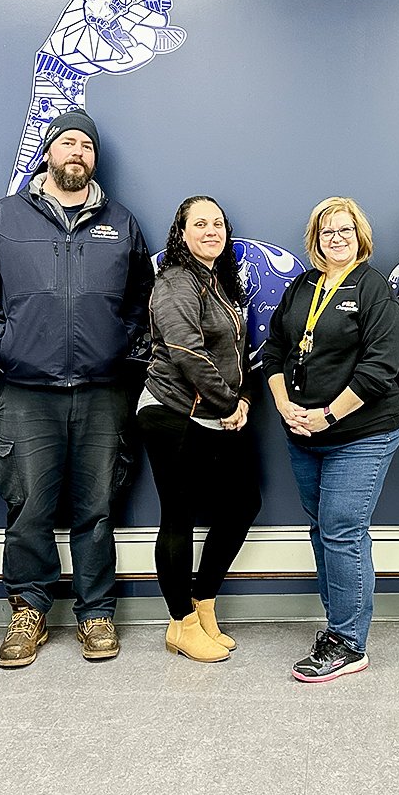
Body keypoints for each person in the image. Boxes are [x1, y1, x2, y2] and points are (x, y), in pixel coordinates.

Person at [0, 110, 153, 668]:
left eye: (86, 147)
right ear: (48, 152)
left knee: (96, 505)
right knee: (28, 505)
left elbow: (144, 293)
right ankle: (30, 609)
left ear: (94, 159)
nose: (77, 153)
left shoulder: (121, 221)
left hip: (102, 387)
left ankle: (97, 613)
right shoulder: (5, 217)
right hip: (25, 388)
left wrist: (121, 345)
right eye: (67, 142)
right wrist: (6, 343)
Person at [262, 197, 399, 683]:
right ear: (316, 239)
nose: (337, 238)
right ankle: (336, 627)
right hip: (302, 430)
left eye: (345, 230)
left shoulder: (374, 290)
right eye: (328, 232)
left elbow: (379, 369)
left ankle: (350, 642)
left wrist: (326, 415)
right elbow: (277, 349)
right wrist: (285, 406)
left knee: (343, 528)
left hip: (359, 432)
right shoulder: (303, 285)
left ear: (360, 236)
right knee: (322, 527)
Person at [136, 196, 262, 663]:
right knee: (180, 514)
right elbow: (186, 352)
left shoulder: (219, 284)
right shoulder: (175, 280)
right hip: (171, 412)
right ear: (182, 233)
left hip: (217, 411)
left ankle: (203, 601)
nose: (211, 230)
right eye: (200, 223)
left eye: (218, 223)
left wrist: (243, 399)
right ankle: (180, 624)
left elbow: (237, 355)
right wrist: (231, 402)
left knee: (244, 502)